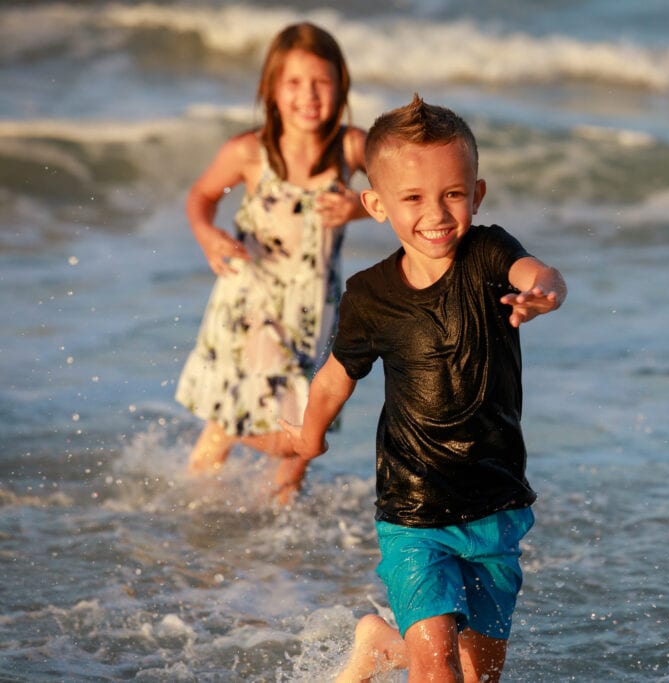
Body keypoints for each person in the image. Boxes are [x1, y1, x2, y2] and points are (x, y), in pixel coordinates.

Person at [279, 94, 567, 682]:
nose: (435, 213)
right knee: (438, 667)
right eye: (412, 198)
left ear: (477, 194)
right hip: (413, 507)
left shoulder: (488, 254)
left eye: (452, 194)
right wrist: (310, 441)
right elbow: (335, 377)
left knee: (476, 672)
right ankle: (404, 649)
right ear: (376, 204)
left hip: (496, 502)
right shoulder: (369, 296)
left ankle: (382, 645)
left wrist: (546, 293)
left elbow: (535, 271)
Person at [175, 22, 369, 501]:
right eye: (294, 83)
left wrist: (359, 206)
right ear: (271, 90)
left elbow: (400, 190)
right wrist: (207, 234)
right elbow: (201, 196)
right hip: (250, 301)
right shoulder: (249, 152)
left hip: (317, 309)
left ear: (341, 86)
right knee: (245, 418)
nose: (309, 95)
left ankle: (283, 537)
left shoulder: (351, 147)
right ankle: (190, 509)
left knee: (309, 424)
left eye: (321, 82)